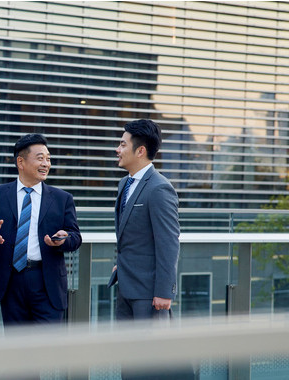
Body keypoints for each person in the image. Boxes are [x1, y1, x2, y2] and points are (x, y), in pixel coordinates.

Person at [0, 134, 81, 326]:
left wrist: (64, 239)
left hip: (47, 282)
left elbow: (75, 236)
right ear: (21, 162)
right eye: (40, 158)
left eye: (48, 158)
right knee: (16, 348)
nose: (46, 164)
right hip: (11, 283)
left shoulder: (62, 198)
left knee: (47, 349)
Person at [111, 120, 185, 379]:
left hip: (150, 295)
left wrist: (165, 293)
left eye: (122, 144)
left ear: (140, 150)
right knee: (129, 363)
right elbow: (131, 235)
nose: (117, 149)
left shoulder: (159, 188)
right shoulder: (125, 185)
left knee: (150, 365)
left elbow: (168, 243)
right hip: (126, 287)